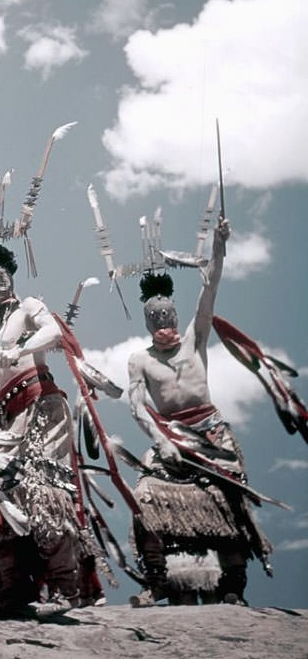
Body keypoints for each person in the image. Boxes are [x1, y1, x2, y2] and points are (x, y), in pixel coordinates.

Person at [127, 218, 272, 606]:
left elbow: (210, 287)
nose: (165, 325)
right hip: (169, 436)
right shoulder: (139, 359)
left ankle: (232, 586)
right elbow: (137, 405)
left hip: (211, 432)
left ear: (175, 317)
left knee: (230, 497)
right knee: (144, 496)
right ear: (148, 324)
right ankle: (156, 579)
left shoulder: (195, 338)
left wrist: (219, 245)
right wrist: (161, 440)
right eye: (156, 320)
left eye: (169, 317)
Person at [0, 242, 83, 620]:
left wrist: (18, 350)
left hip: (42, 408)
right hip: (10, 422)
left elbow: (53, 333)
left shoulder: (29, 307)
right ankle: (14, 589)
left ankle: (67, 588)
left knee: (42, 492)